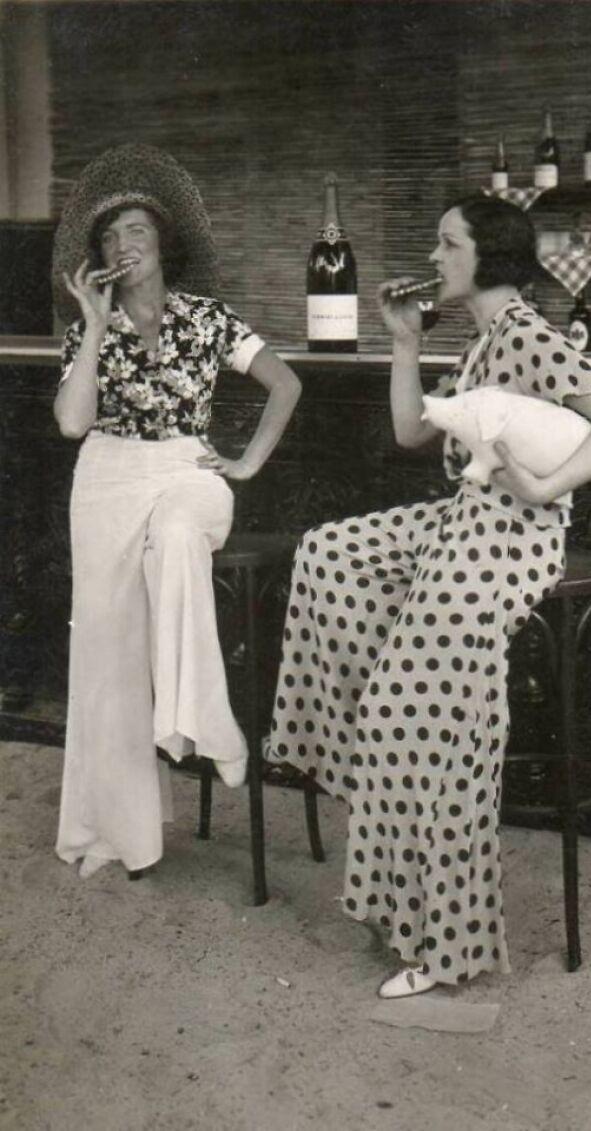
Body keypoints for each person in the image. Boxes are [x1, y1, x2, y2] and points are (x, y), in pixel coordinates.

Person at [266, 195, 591, 998]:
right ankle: (367, 750)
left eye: (447, 244)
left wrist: (546, 481)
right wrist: (404, 342)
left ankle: (445, 942)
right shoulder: (480, 344)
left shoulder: (529, 337)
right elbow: (413, 434)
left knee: (410, 708)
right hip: (457, 517)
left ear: (489, 257)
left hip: (509, 538)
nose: (434, 257)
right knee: (328, 553)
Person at [52, 144, 301, 880]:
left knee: (178, 529)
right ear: (98, 259)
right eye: (110, 238)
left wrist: (248, 460)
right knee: (106, 661)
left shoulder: (208, 319)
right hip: (105, 477)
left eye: (136, 232)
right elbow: (72, 423)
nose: (123, 247)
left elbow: (284, 383)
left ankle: (203, 718)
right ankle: (119, 833)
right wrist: (95, 328)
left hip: (187, 470)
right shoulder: (86, 330)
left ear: (163, 244)